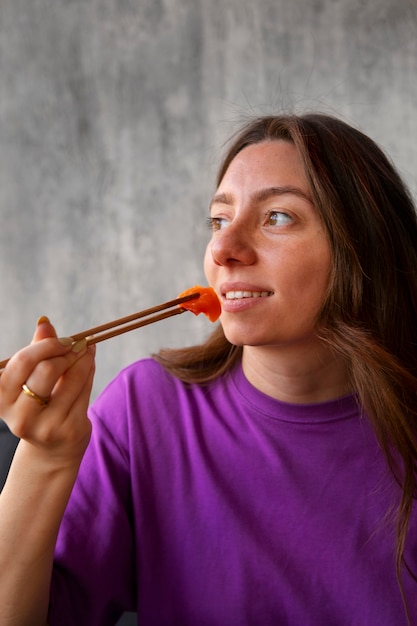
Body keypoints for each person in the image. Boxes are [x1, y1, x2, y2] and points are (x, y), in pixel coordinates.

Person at [0, 113, 416, 626]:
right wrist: (46, 458)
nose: (222, 249)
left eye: (277, 217)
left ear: (364, 245)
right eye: (219, 221)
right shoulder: (144, 410)